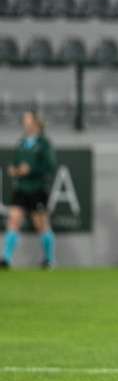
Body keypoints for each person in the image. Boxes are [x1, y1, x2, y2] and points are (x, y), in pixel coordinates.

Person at [2, 111, 56, 269]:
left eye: (27, 119)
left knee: (41, 224)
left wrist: (31, 169)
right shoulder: (21, 143)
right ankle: (6, 258)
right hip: (21, 189)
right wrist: (15, 169)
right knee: (13, 219)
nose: (24, 122)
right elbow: (17, 162)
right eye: (24, 119)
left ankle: (49, 259)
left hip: (37, 188)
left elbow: (50, 166)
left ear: (35, 122)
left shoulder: (44, 144)